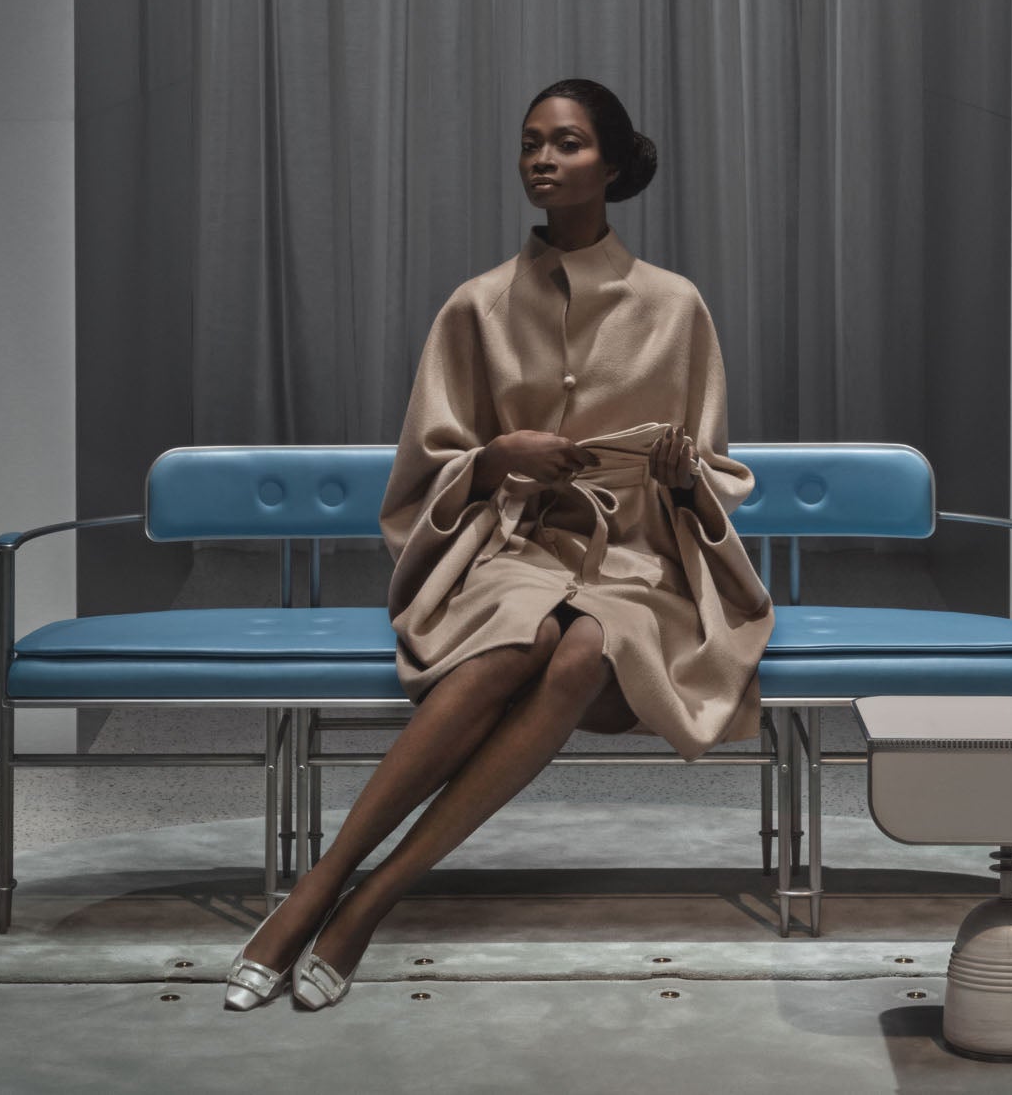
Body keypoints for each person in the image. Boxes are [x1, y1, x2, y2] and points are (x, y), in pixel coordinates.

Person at [223, 77, 775, 1012]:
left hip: (640, 565)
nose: (543, 162)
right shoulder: (474, 308)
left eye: (565, 144)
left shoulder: (676, 307)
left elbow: (715, 478)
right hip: (510, 557)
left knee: (588, 643)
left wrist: (682, 477)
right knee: (524, 638)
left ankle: (366, 901)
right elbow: (420, 477)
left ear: (610, 161)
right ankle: (322, 887)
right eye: (530, 145)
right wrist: (492, 460)